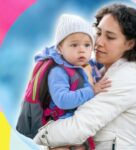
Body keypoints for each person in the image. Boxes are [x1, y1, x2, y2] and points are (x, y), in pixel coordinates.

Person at [34, 3, 136, 150]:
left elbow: (78, 128)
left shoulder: (127, 78)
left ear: (130, 44)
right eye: (99, 33)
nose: (99, 42)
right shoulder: (97, 72)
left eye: (110, 37)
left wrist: (41, 134)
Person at [34, 14, 111, 150]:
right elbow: (62, 100)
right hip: (61, 130)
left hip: (79, 128)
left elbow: (108, 62)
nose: (81, 49)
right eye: (74, 45)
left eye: (87, 45)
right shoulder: (58, 72)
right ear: (60, 48)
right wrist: (92, 91)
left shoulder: (89, 65)